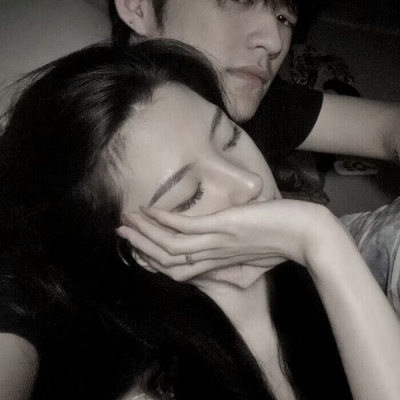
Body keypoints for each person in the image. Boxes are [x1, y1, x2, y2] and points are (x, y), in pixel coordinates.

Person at [0, 40, 399, 400]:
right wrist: (321, 239)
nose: (249, 182)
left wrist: (324, 242)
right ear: (138, 250)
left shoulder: (317, 278)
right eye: (190, 195)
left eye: (230, 138)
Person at [109, 0, 400, 162]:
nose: (275, 42)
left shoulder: (250, 98)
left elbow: (386, 129)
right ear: (138, 6)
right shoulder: (94, 139)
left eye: (284, 19)